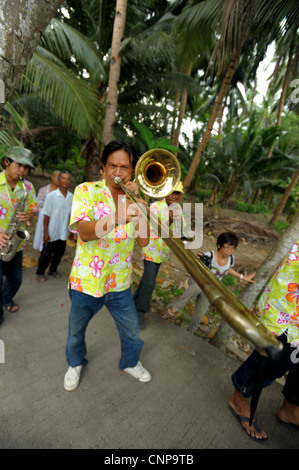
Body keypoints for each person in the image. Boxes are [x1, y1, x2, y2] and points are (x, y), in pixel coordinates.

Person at [64, 140, 151, 392]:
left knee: (132, 332)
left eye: (124, 167)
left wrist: (140, 204)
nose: (118, 172)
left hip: (119, 283)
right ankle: (75, 362)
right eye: (112, 165)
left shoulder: (135, 198)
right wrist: (117, 216)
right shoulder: (86, 191)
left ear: (132, 171)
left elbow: (144, 241)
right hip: (86, 281)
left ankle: (130, 362)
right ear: (102, 167)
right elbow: (84, 232)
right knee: (76, 331)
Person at [229, 239, 299, 442]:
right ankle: (240, 397)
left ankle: (291, 409)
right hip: (290, 304)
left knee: (293, 357)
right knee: (276, 352)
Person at [167, 232, 256, 333]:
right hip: (198, 280)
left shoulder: (231, 258)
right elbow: (195, 265)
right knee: (197, 287)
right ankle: (174, 308)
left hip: (210, 288)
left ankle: (190, 333)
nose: (229, 251)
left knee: (199, 314)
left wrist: (243, 277)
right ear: (219, 246)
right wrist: (196, 259)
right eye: (227, 247)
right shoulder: (209, 256)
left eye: (232, 248)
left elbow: (228, 269)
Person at [133, 182, 185, 329]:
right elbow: (153, 229)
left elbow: (181, 231)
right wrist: (169, 220)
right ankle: (140, 312)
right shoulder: (155, 207)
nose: (174, 196)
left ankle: (134, 301)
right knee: (150, 283)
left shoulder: (179, 209)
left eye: (177, 194)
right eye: (172, 192)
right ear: (165, 193)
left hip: (163, 252)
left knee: (146, 280)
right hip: (151, 249)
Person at [0, 147, 38, 323]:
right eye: (18, 165)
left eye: (26, 167)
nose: (22, 170)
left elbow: (33, 209)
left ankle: (6, 298)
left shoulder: (28, 186)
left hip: (15, 245)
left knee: (16, 279)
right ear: (7, 162)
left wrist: (30, 215)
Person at [36, 171, 73, 281]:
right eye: (63, 178)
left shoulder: (71, 197)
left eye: (68, 179)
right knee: (46, 254)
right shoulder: (52, 196)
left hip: (63, 232)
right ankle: (40, 272)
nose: (65, 181)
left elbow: (71, 215)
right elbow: (46, 215)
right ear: (58, 180)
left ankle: (53, 270)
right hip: (52, 231)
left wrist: (71, 232)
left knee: (59, 253)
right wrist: (45, 233)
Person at [33, 170, 60, 252]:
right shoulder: (44, 190)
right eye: (57, 177)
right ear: (52, 178)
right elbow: (39, 202)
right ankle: (42, 250)